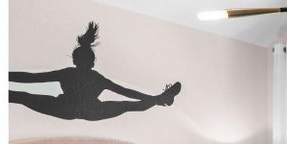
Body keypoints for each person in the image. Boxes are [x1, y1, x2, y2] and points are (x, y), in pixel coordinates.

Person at [9, 21, 181, 121]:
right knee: (129, 106)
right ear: (92, 63)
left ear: (75, 60)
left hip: (65, 109)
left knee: (24, 96)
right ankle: (160, 100)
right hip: (93, 111)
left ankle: (160, 99)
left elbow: (32, 78)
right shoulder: (97, 78)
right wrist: (154, 99)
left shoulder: (68, 73)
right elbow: (127, 93)